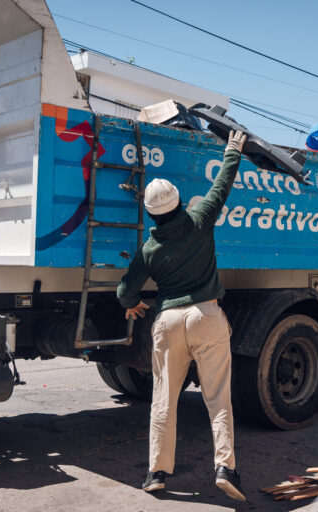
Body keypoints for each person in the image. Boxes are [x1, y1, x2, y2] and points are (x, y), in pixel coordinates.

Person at [116, 130, 248, 501]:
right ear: (177, 202)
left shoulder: (149, 247)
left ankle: (157, 473)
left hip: (169, 321)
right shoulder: (199, 218)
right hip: (207, 315)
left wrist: (131, 305)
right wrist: (232, 150)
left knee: (164, 398)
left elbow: (126, 290)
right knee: (218, 398)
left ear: (150, 213)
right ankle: (225, 468)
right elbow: (222, 185)